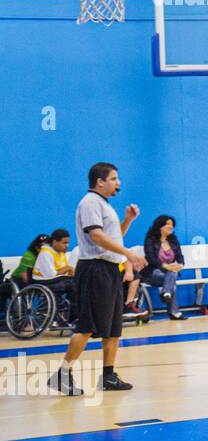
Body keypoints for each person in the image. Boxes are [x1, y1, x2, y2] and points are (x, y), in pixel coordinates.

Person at [49, 162, 147, 395]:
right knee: (88, 325)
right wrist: (129, 254)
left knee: (114, 327)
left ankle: (109, 376)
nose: (118, 182)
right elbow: (96, 237)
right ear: (99, 181)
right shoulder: (90, 202)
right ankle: (61, 375)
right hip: (95, 269)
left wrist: (128, 221)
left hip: (110, 270)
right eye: (114, 178)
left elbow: (114, 238)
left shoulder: (104, 204)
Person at [142, 215, 186, 320]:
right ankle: (174, 312)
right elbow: (150, 258)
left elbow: (180, 256)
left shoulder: (173, 240)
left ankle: (166, 293)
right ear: (160, 226)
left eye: (172, 225)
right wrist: (166, 266)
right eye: (168, 224)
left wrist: (180, 265)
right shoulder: (150, 240)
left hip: (169, 273)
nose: (171, 227)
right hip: (153, 272)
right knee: (171, 278)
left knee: (172, 274)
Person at [32, 229, 76, 306]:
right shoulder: (46, 253)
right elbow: (51, 275)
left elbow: (64, 271)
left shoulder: (61, 253)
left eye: (68, 243)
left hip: (56, 280)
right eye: (64, 243)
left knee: (79, 283)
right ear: (55, 242)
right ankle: (74, 310)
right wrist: (68, 268)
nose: (67, 246)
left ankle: (73, 310)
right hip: (43, 281)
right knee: (73, 285)